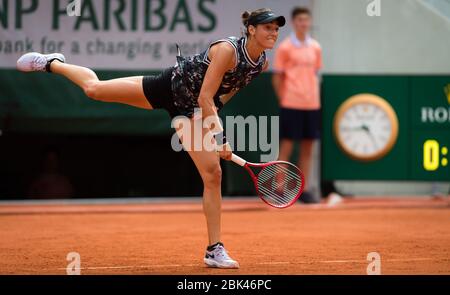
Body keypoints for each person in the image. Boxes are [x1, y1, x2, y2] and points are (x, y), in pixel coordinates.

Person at [16, 8, 285, 269]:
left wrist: (211, 116)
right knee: (94, 90)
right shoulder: (228, 50)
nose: (273, 32)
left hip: (192, 112)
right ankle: (52, 63)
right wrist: (220, 136)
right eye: (268, 27)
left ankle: (214, 250)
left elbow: (224, 92)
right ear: (251, 30)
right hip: (168, 88)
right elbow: (205, 95)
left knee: (213, 174)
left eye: (276, 28)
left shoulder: (260, 64)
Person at [272, 7, 322, 203]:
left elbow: (315, 74)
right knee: (286, 146)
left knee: (308, 147)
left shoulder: (316, 47)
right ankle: (278, 189)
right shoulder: (285, 47)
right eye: (300, 20)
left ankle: (304, 190)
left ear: (309, 22)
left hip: (312, 104)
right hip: (291, 103)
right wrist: (285, 99)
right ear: (294, 22)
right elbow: (277, 78)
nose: (303, 23)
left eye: (306, 20)